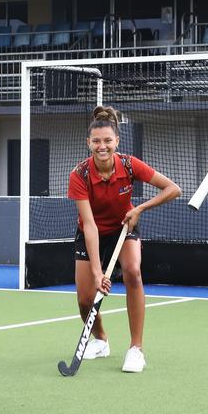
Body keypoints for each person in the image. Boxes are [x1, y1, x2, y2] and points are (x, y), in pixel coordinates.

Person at [68, 106, 181, 372]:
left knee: (133, 272)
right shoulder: (79, 175)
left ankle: (136, 349)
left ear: (117, 141)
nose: (102, 146)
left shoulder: (130, 165)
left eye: (108, 140)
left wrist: (140, 209)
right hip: (90, 232)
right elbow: (90, 226)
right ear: (89, 143)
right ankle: (101, 340)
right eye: (96, 141)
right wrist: (98, 273)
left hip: (123, 227)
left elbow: (173, 189)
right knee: (85, 299)